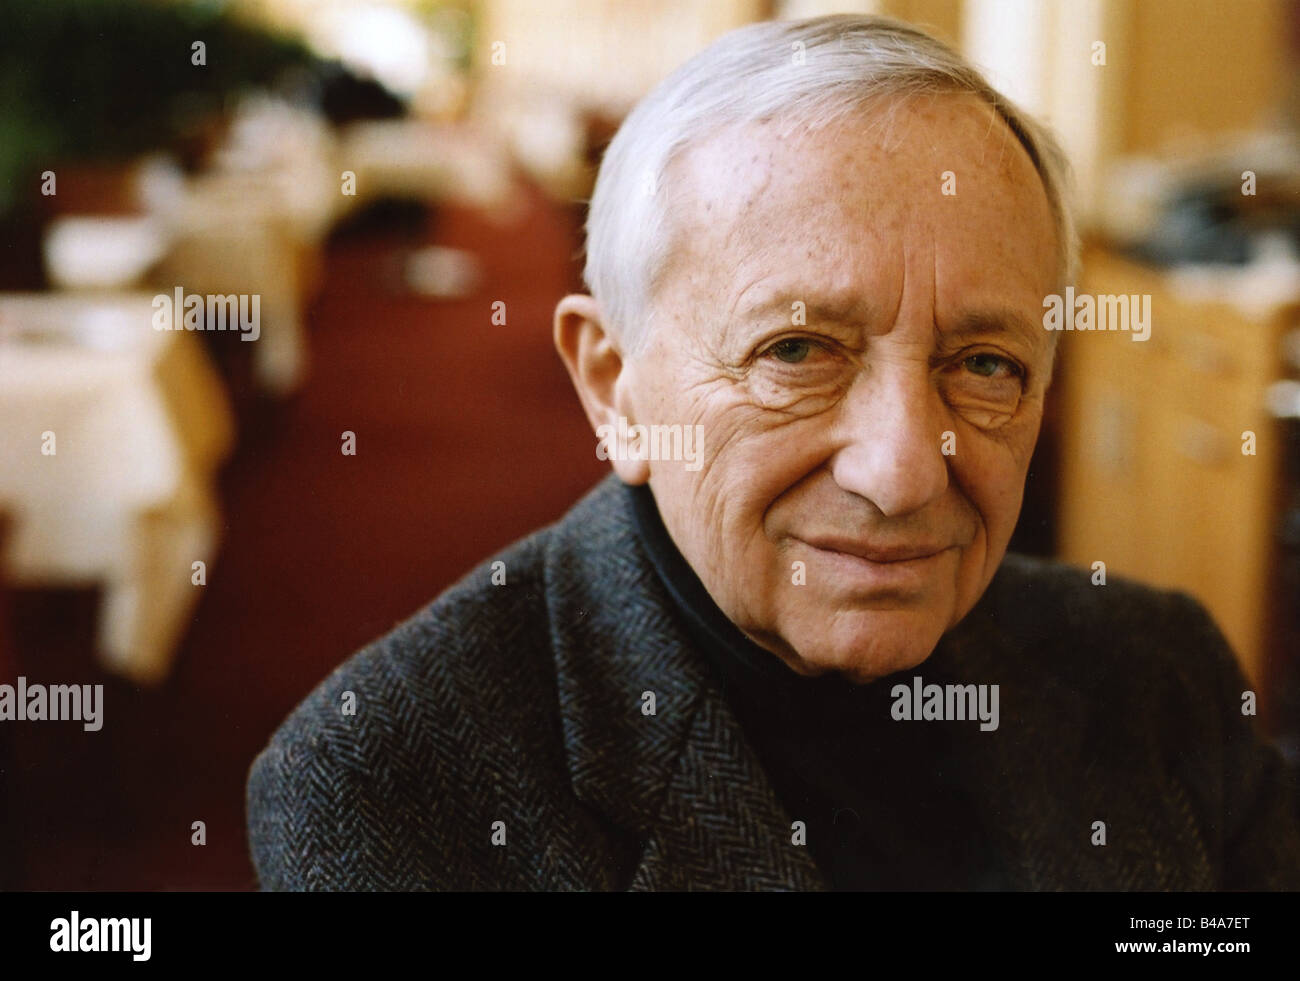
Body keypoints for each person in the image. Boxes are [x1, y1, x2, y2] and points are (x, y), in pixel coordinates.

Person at [246, 14, 1300, 890]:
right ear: (612, 385)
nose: (901, 473)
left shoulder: (1157, 673)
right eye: (797, 351)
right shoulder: (390, 783)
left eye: (982, 365)